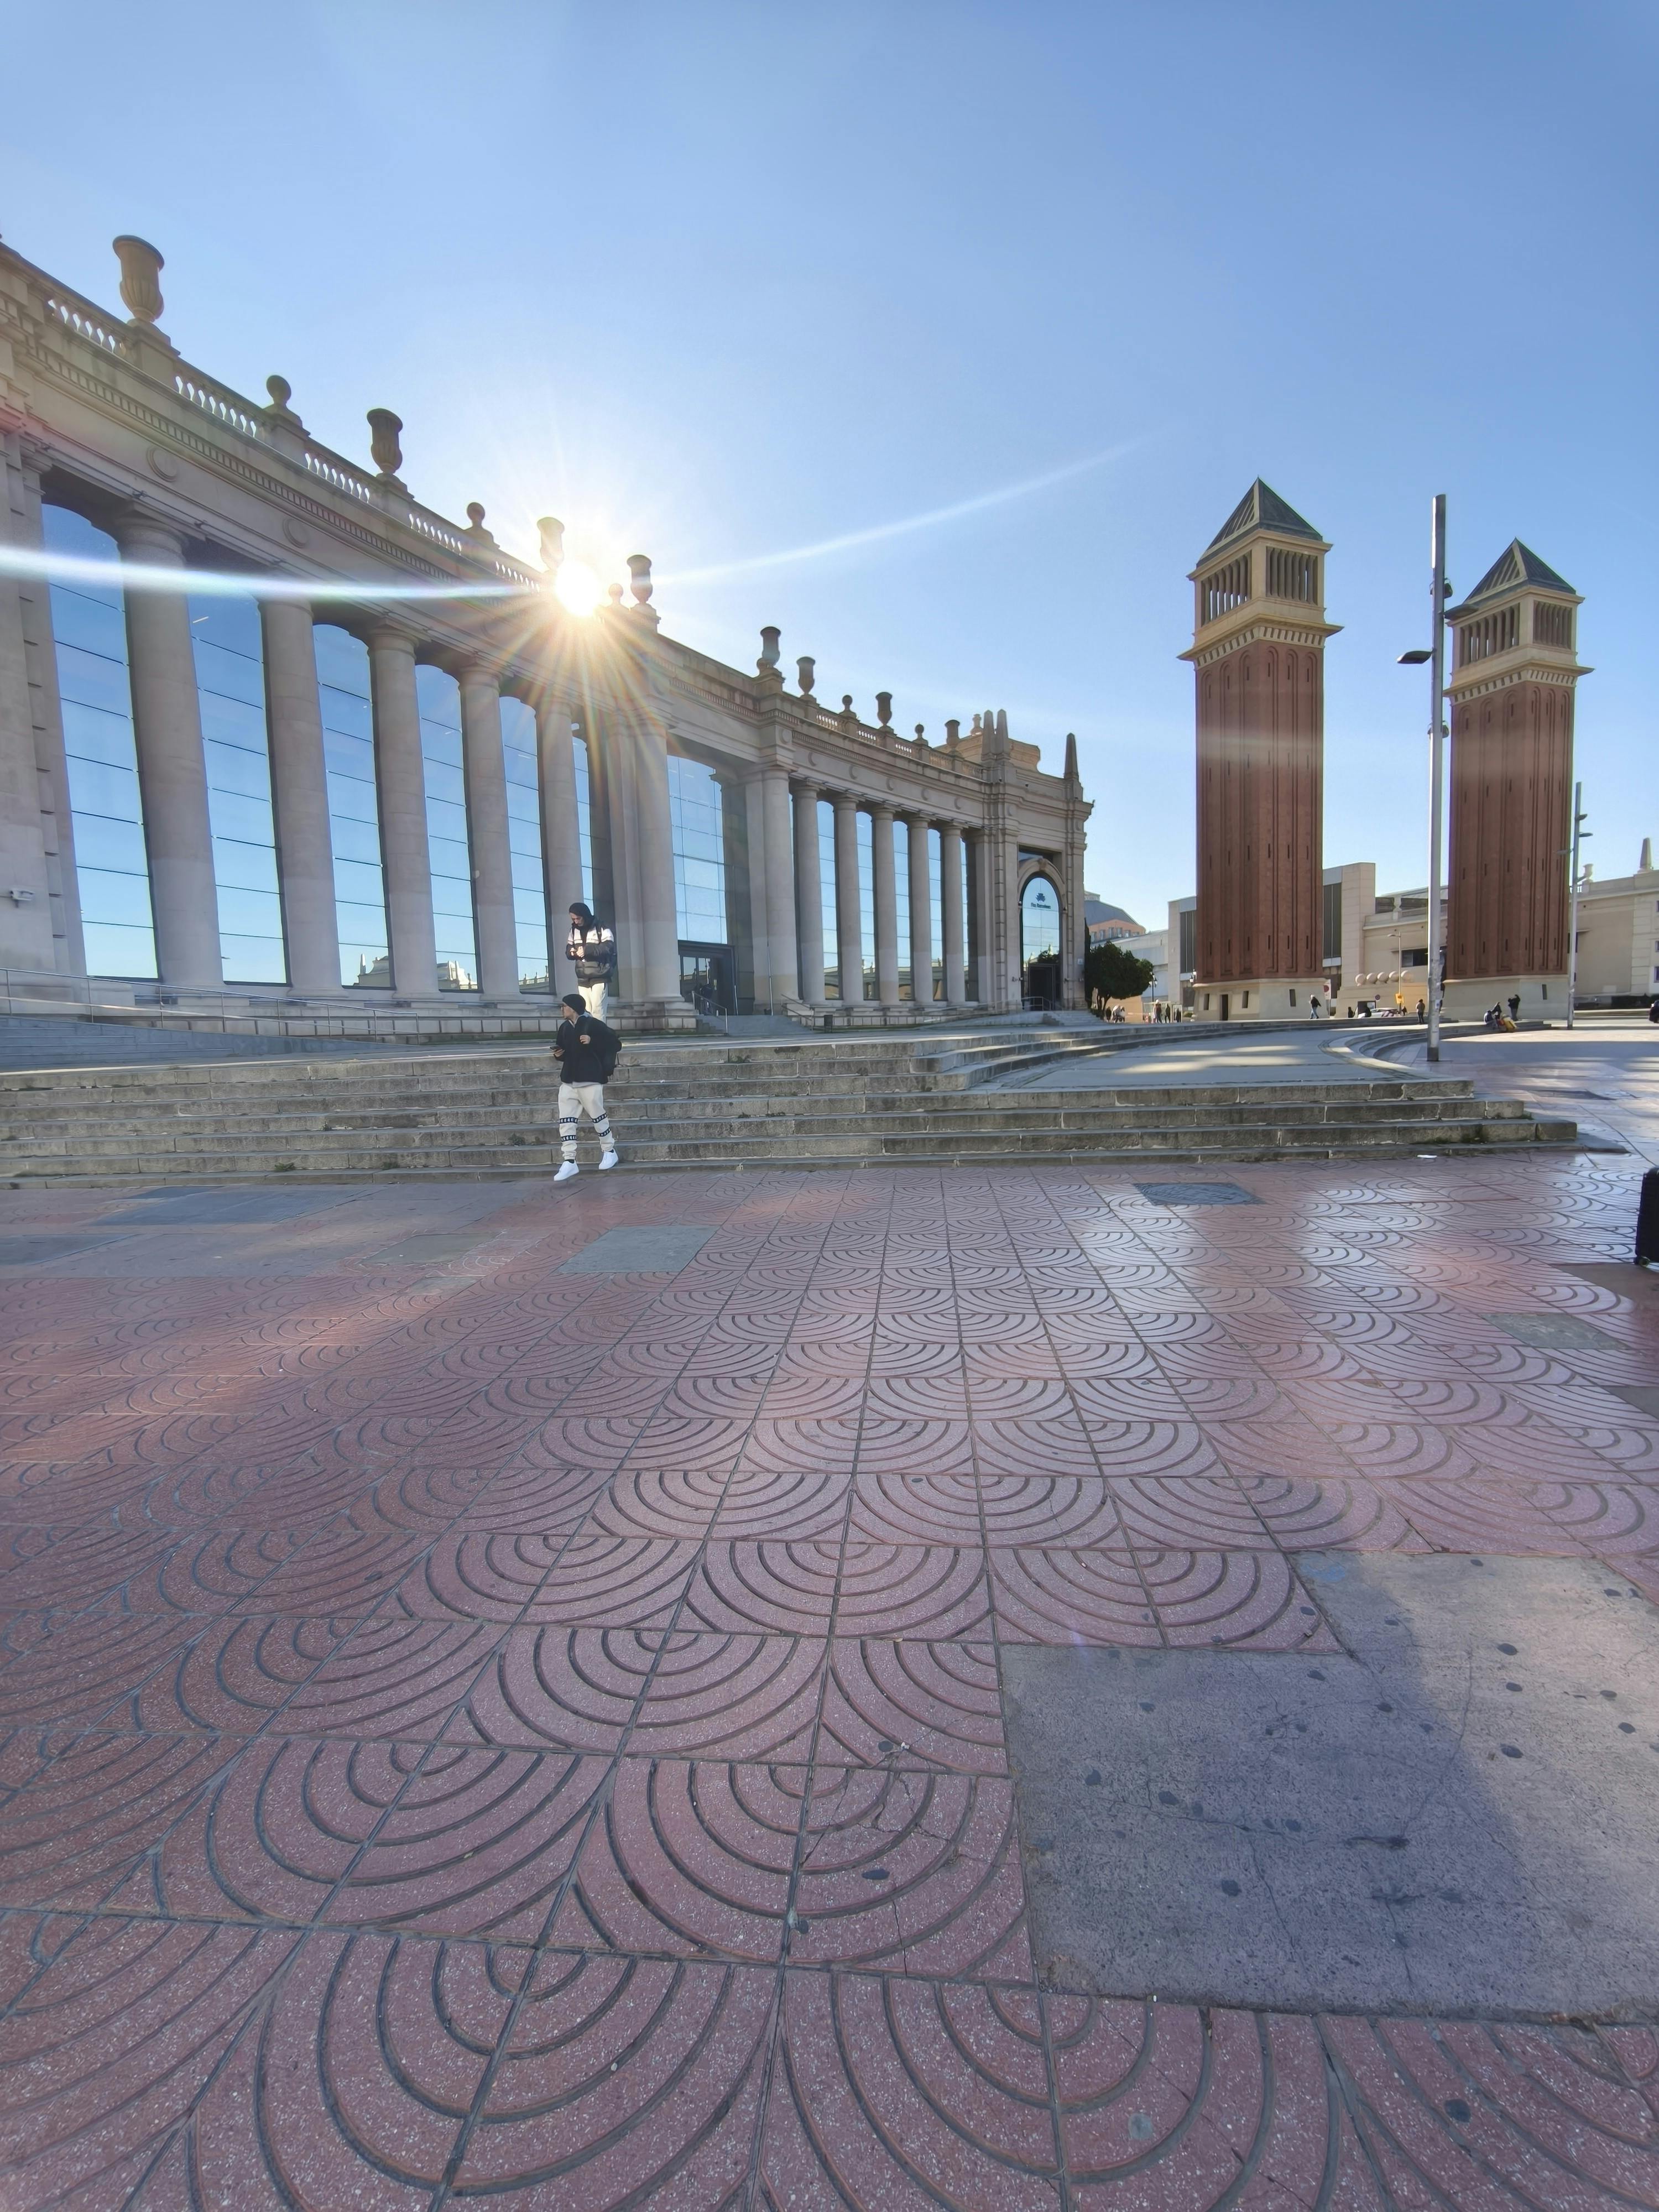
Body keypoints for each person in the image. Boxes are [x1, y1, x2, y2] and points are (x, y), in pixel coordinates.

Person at [551, 990, 621, 1183]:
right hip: (569, 1080)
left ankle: (609, 1151)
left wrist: (593, 1041)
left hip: (590, 1079)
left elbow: (615, 1043)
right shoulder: (565, 1028)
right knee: (566, 1122)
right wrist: (559, 1055)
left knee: (598, 1117)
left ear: (573, 1008)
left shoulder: (593, 1024)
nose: (562, 1009)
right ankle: (569, 1160)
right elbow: (565, 1051)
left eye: (565, 1006)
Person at [566, 902, 616, 1019]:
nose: (576, 922)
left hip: (600, 974)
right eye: (573, 919)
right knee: (585, 1012)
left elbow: (609, 947)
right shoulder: (573, 930)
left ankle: (599, 1032)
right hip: (583, 976)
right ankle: (588, 1031)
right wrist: (572, 952)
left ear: (585, 915)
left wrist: (587, 951)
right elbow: (568, 950)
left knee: (598, 1010)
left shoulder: (601, 927)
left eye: (578, 918)